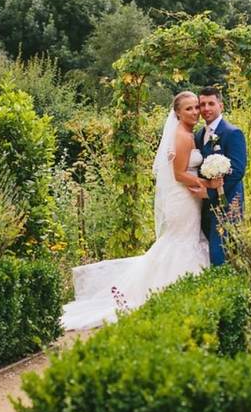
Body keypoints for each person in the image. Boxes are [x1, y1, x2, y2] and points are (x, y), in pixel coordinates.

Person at [60, 91, 211, 330]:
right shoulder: (182, 136)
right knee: (180, 242)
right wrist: (208, 186)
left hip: (188, 197)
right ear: (178, 113)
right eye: (189, 109)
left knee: (181, 241)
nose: (195, 112)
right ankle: (169, 289)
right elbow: (179, 174)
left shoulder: (189, 134)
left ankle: (172, 286)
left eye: (196, 107)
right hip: (183, 198)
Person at [195, 86, 247, 266]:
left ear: (221, 106)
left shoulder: (233, 133)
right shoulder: (199, 135)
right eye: (202, 104)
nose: (206, 108)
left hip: (228, 202)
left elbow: (238, 171)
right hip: (204, 206)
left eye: (211, 103)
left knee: (221, 253)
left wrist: (211, 192)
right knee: (207, 251)